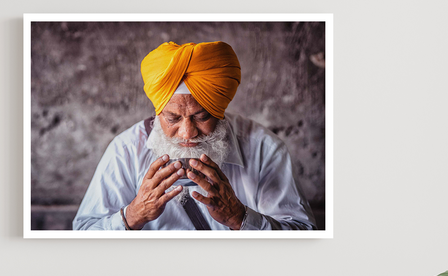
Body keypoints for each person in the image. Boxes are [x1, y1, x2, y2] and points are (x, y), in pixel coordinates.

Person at [72, 40, 317, 231]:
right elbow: (83, 233)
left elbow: (302, 234)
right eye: (173, 118)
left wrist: (239, 218)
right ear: (157, 113)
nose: (187, 133)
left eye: (202, 117)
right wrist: (133, 215)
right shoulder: (126, 149)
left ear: (220, 111)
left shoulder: (264, 149)